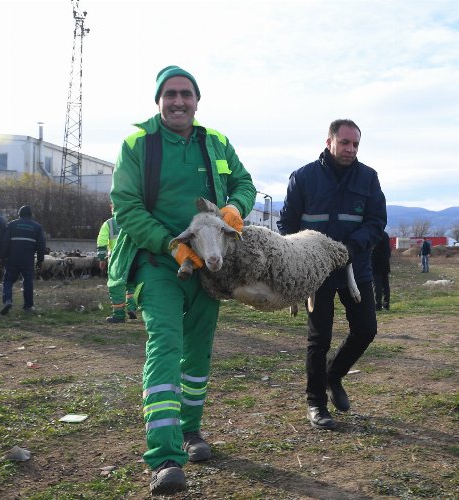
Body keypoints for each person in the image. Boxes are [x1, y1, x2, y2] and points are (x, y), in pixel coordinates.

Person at [109, 66, 256, 495]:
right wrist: (169, 245)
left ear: (196, 100)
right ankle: (165, 457)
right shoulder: (138, 144)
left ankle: (191, 432)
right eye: (170, 94)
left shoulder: (216, 142)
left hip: (210, 268)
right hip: (160, 264)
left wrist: (234, 209)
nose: (178, 102)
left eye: (186, 94)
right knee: (166, 347)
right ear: (158, 100)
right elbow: (126, 206)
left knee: (198, 353)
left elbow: (243, 183)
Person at [278, 119, 386, 431]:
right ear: (329, 142)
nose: (350, 149)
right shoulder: (304, 177)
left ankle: (333, 375)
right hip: (315, 271)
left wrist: (352, 247)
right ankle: (316, 402)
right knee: (319, 337)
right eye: (345, 143)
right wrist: (301, 255)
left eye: (356, 144)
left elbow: (376, 221)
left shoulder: (368, 178)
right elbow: (287, 224)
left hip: (357, 267)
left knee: (366, 329)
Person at [0, 205, 46, 315]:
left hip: (12, 259)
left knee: (8, 280)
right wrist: (40, 261)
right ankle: (28, 306)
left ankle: (8, 300)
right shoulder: (37, 227)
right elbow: (41, 245)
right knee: (28, 282)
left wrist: (2, 257)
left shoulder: (11, 225)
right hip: (28, 259)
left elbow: (5, 242)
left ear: (19, 214)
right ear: (31, 215)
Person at [97, 203, 137, 323]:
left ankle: (119, 315)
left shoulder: (109, 224)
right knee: (131, 285)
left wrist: (101, 258)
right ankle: (132, 308)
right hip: (133, 258)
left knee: (116, 286)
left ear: (112, 209)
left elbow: (102, 241)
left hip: (116, 260)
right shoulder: (133, 221)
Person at [371, 231, 391, 311]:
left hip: (376, 265)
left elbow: (374, 251)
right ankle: (386, 305)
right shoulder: (386, 235)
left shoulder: (375, 234)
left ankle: (377, 305)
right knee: (385, 285)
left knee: (377, 286)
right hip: (385, 264)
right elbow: (389, 251)